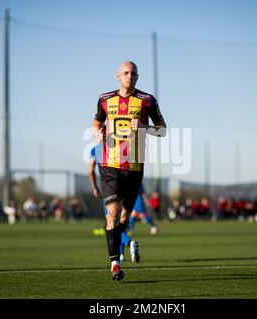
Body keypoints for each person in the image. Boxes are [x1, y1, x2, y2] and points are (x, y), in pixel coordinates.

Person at [91, 61, 166, 281]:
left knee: (124, 216)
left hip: (134, 167)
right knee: (112, 214)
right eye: (125, 73)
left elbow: (163, 131)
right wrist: (97, 133)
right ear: (117, 76)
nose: (129, 76)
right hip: (110, 166)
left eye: (133, 73)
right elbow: (96, 124)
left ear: (137, 77)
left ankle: (123, 241)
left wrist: (145, 128)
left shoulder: (147, 100)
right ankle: (115, 263)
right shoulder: (105, 99)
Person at [89, 143, 139, 262]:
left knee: (112, 222)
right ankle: (121, 253)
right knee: (121, 220)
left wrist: (94, 187)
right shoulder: (120, 144)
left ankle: (128, 243)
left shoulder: (95, 149)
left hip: (109, 187)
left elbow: (91, 170)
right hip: (125, 185)